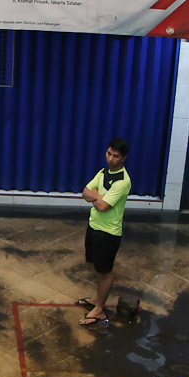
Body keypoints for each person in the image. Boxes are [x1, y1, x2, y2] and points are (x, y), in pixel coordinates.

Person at [79, 137, 131, 327]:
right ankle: (97, 298)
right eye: (109, 153)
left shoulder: (123, 181)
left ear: (123, 158)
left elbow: (103, 207)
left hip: (108, 233)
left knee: (106, 271)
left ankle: (99, 309)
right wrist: (99, 197)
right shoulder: (103, 173)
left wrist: (97, 198)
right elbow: (85, 192)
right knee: (96, 266)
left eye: (116, 156)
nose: (110, 158)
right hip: (94, 227)